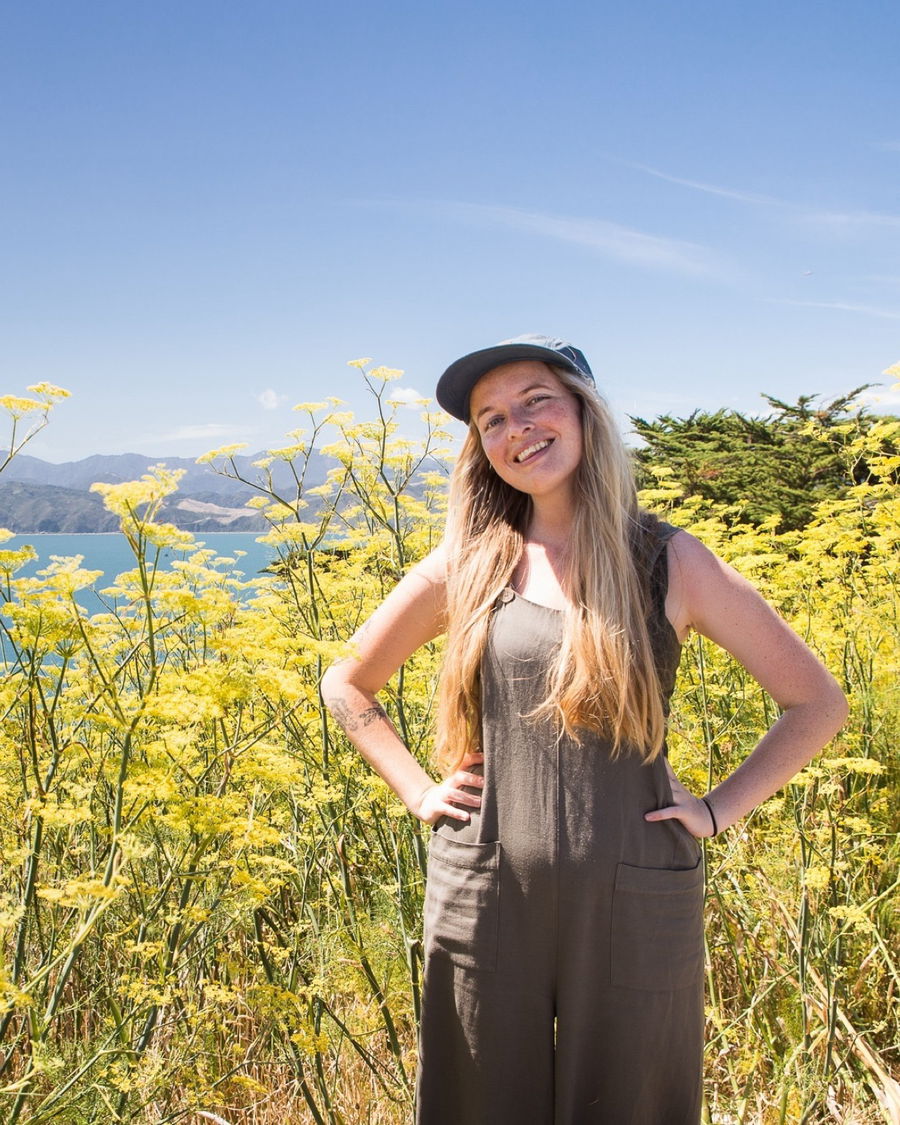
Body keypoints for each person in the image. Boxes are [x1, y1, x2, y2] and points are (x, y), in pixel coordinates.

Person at [321, 334, 848, 1125]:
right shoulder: (466, 563)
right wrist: (417, 788)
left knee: (634, 1105)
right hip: (483, 889)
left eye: (536, 401)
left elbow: (817, 702)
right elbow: (345, 681)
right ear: (481, 447)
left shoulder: (670, 560)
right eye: (491, 418)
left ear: (584, 411)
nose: (516, 427)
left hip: (636, 892)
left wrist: (717, 809)